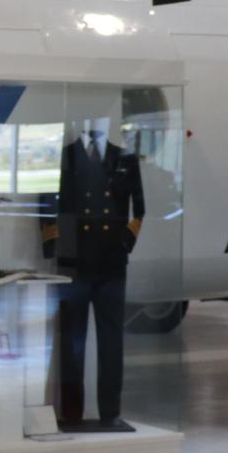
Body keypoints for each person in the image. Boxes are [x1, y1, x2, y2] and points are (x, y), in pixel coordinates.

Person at [42, 117, 144, 430]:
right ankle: (72, 413)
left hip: (111, 264)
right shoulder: (64, 156)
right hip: (75, 263)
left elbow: (139, 207)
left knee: (112, 343)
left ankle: (110, 412)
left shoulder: (124, 157)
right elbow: (48, 201)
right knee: (72, 344)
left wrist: (125, 243)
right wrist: (53, 246)